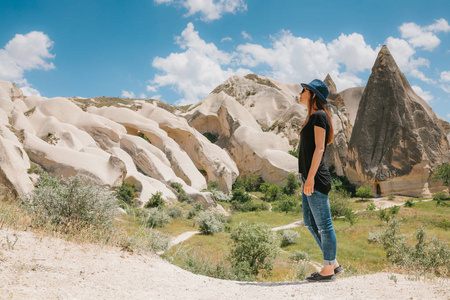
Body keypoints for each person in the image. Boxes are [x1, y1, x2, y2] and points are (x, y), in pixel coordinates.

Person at [297, 79, 343, 282]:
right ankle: (333, 264)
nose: (300, 93)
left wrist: (311, 179)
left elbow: (320, 148)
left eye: (304, 90)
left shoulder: (319, 116)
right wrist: (305, 178)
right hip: (310, 177)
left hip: (317, 178)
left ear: (313, 94)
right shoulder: (312, 117)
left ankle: (327, 269)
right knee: (309, 222)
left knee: (324, 224)